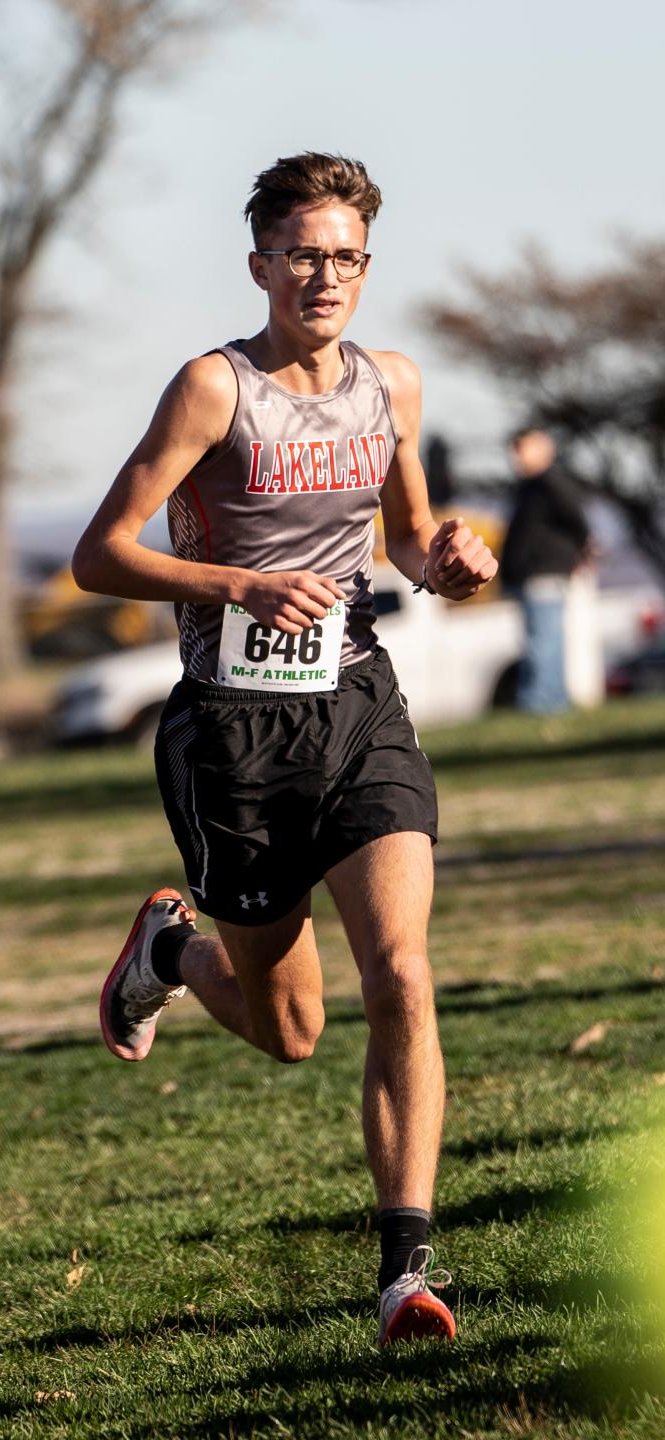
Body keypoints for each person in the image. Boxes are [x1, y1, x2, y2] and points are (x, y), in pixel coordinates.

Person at [72, 153, 498, 1345]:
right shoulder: (214, 390)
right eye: (303, 253)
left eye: (346, 255)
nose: (325, 275)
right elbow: (100, 555)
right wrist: (236, 583)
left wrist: (454, 567)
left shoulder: (392, 384)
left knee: (403, 975)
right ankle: (171, 950)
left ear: (368, 265)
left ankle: (406, 1273)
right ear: (260, 262)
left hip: (358, 704)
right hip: (234, 734)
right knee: (290, 1030)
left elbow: (411, 538)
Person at [499, 428, 592, 713]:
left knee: (543, 642)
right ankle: (553, 700)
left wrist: (578, 551)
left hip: (544, 572)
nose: (517, 456)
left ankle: (541, 703)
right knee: (542, 639)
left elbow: (577, 522)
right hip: (531, 574)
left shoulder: (550, 483)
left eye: (522, 448)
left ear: (543, 449)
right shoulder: (528, 487)